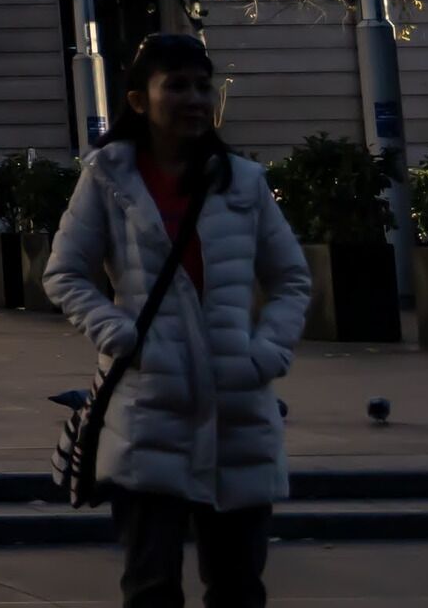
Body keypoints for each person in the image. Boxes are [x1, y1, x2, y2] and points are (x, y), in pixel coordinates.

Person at [44, 30, 309, 608]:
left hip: (239, 410)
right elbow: (65, 272)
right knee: (151, 587)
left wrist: (267, 352)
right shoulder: (109, 179)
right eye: (178, 86)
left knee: (239, 588)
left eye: (202, 86)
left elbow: (291, 278)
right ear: (139, 99)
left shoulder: (243, 182)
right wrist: (119, 335)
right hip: (148, 411)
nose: (195, 99)